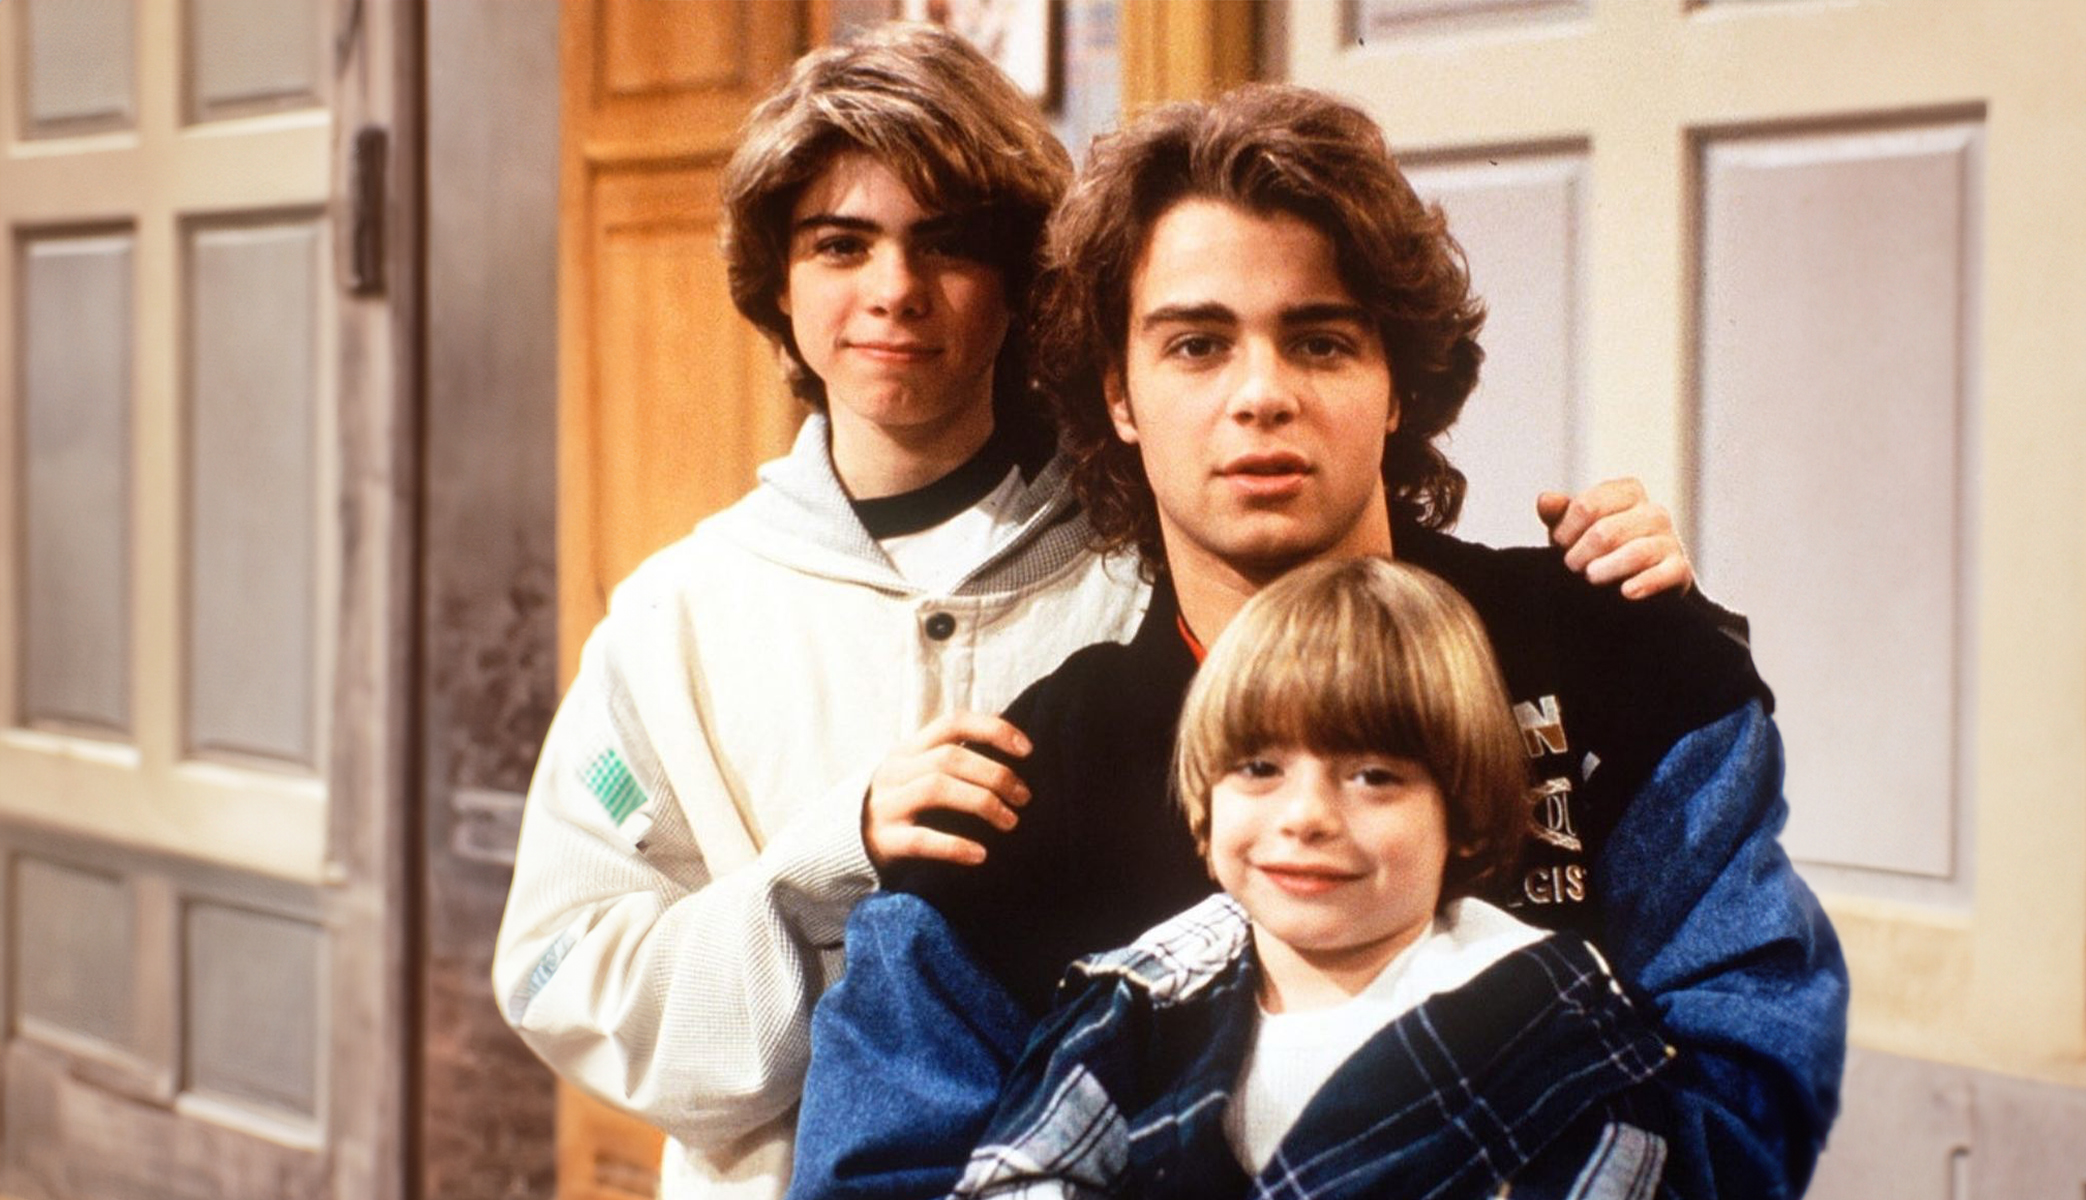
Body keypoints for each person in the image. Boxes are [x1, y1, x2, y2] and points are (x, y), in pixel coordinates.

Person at [493, 26, 1697, 1200]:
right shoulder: (677, 618)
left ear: (1028, 284)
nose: (895, 292)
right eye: (840, 245)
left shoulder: (1161, 548)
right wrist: (826, 861)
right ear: (778, 279)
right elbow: (561, 976)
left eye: (951, 246)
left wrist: (1616, 572)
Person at [790, 84, 1846, 1200]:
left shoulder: (1616, 653)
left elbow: (1751, 1066)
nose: (1262, 396)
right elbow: (874, 1175)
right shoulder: (1017, 796)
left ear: (1396, 386)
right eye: (1196, 345)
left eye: (1321, 341)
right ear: (1119, 396)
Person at [955, 556, 1677, 1199]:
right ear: (1205, 805)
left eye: (1373, 776)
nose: (1305, 817)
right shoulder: (1140, 996)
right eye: (1259, 768)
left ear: (1459, 814)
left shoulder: (1545, 1018)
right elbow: (1022, 1175)